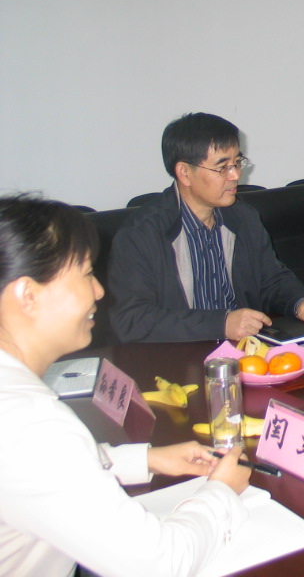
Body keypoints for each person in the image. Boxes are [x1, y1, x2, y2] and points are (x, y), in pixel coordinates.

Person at [0, 196, 251, 576]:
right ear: (28, 295)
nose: (99, 291)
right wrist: (222, 493)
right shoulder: (30, 425)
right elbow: (158, 564)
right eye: (86, 274)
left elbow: (39, 472)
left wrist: (147, 459)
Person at [109, 113, 304, 342]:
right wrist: (220, 325)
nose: (236, 175)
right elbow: (132, 320)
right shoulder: (142, 233)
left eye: (237, 163)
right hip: (179, 356)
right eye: (223, 167)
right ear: (185, 172)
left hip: (246, 351)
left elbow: (271, 280)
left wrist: (300, 302)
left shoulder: (243, 218)